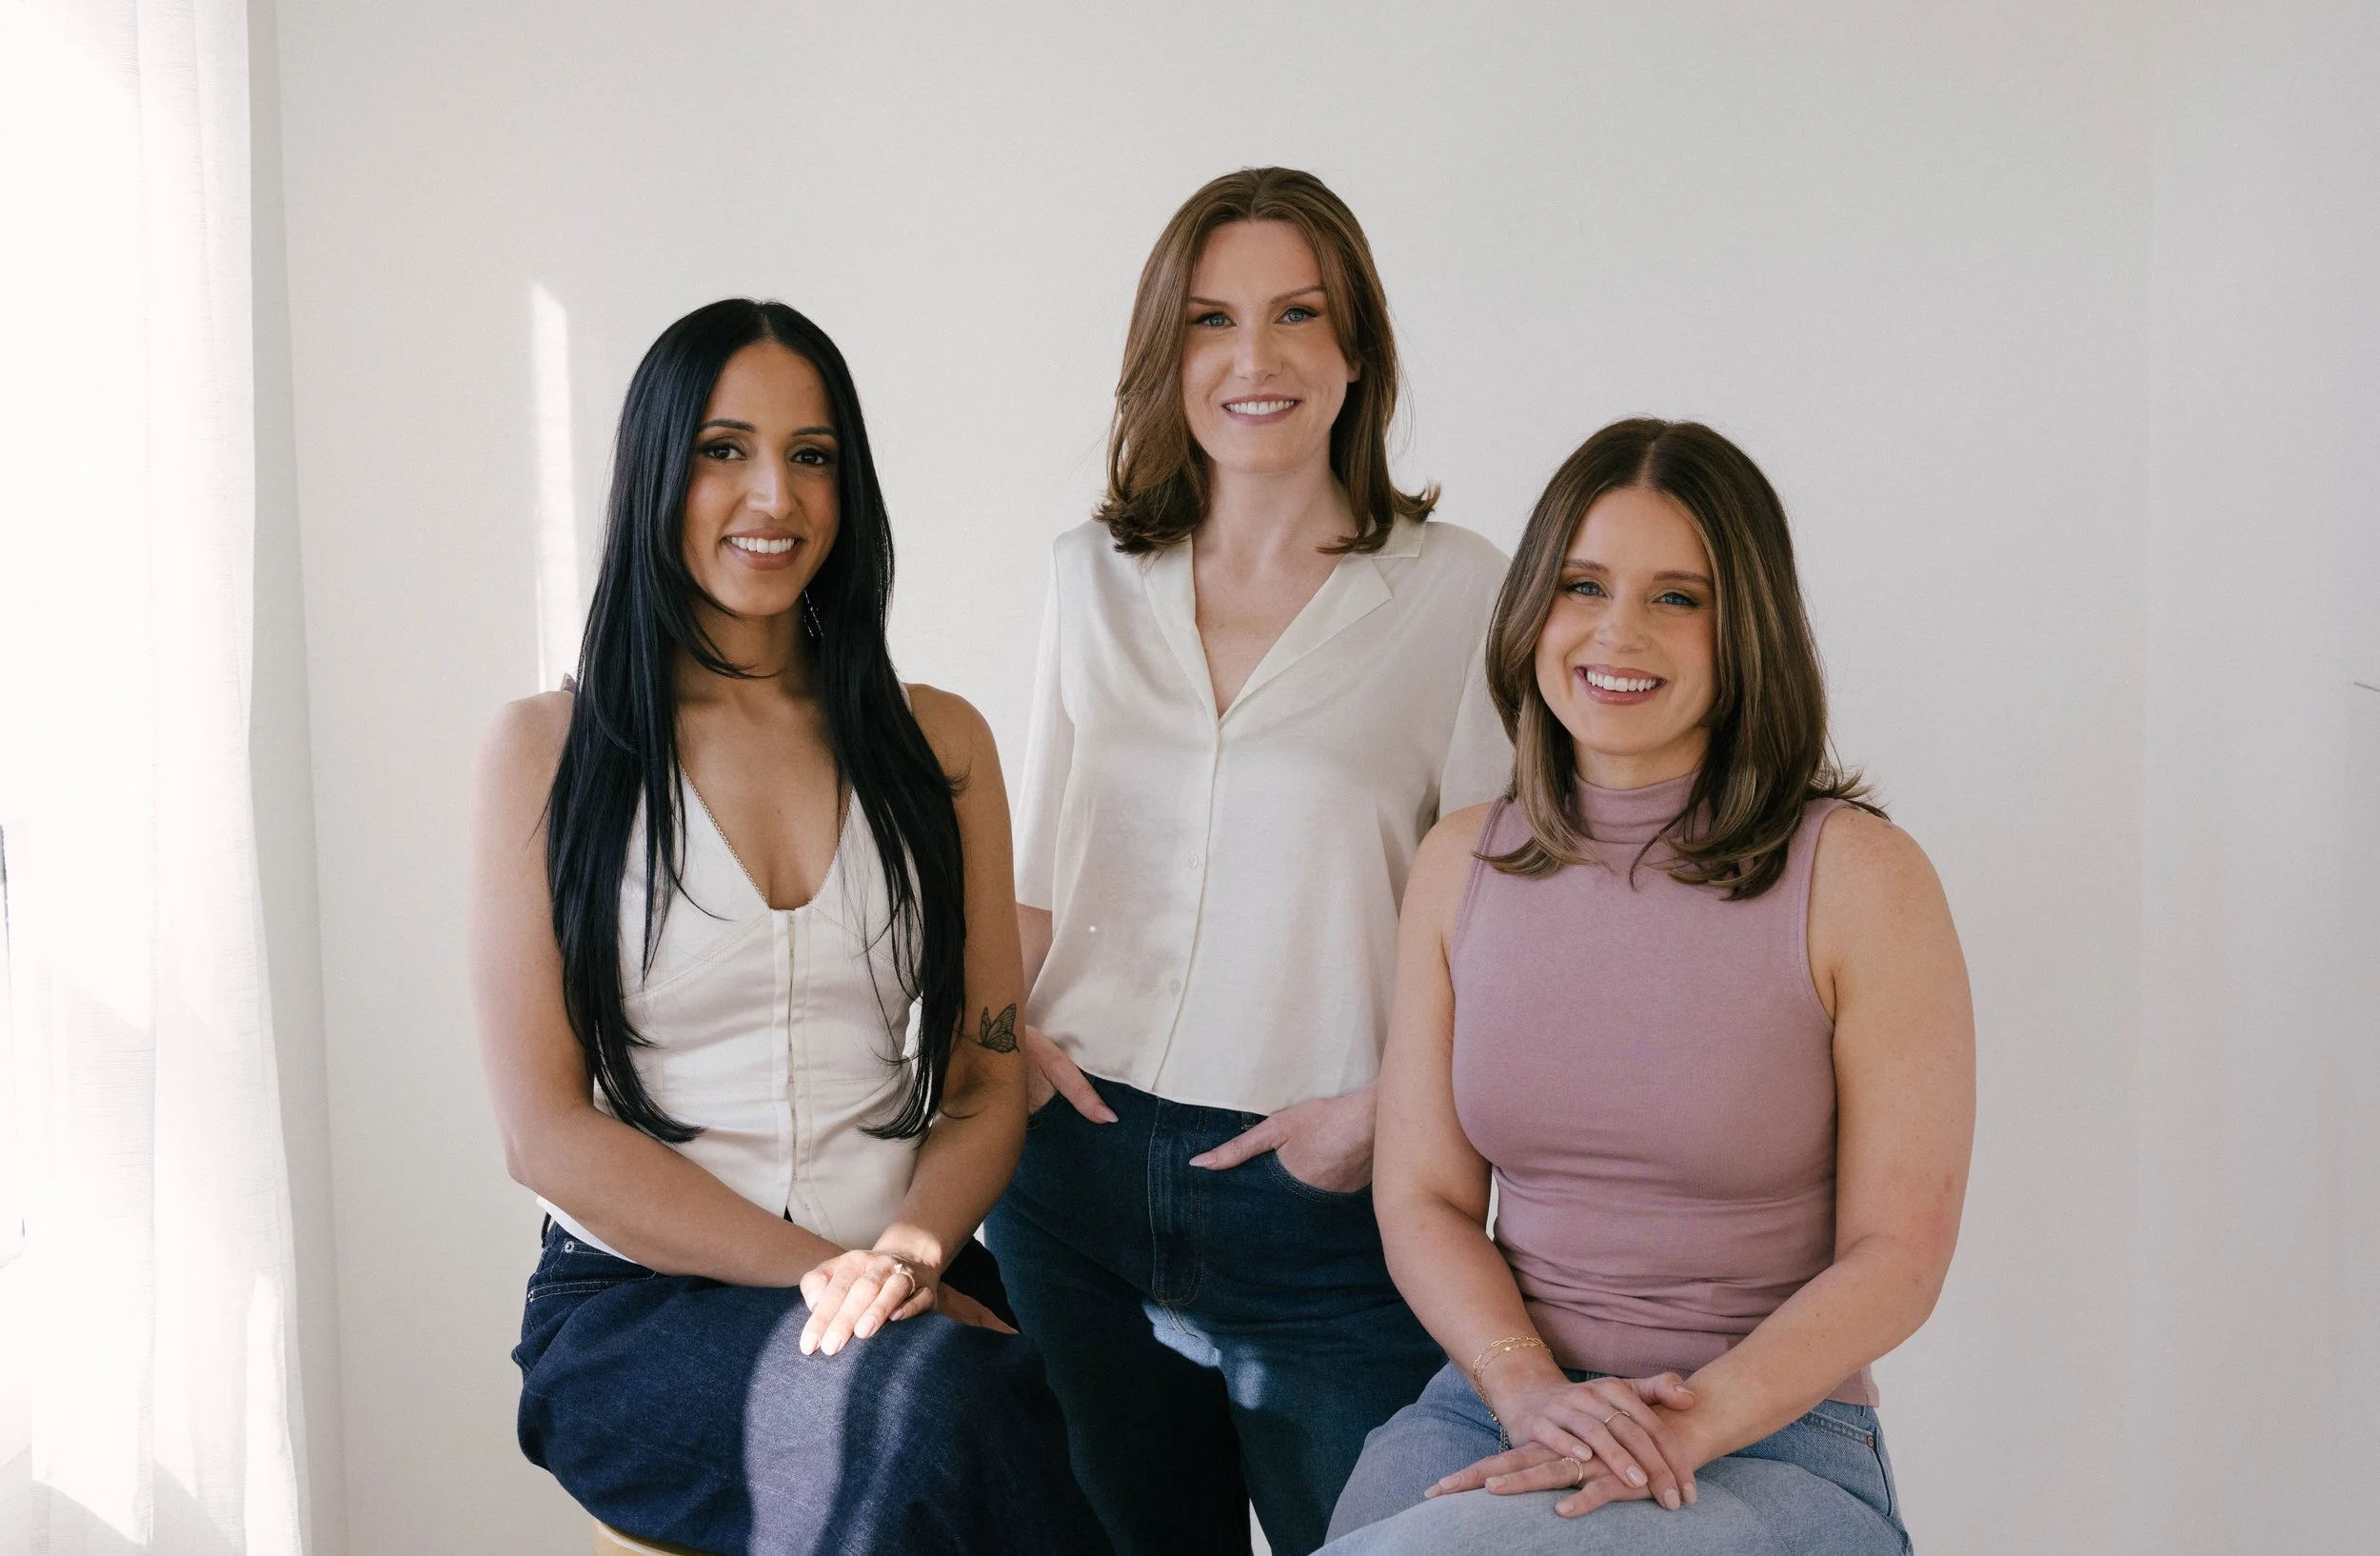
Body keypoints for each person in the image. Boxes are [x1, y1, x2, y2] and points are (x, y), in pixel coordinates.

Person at [470, 299, 1108, 1555]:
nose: (774, 492)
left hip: (898, 1283)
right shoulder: (547, 753)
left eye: (812, 454)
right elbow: (543, 1131)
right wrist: (826, 1273)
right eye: (725, 448)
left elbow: (983, 1078)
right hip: (643, 1311)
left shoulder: (942, 745)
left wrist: (907, 1253)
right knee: (936, 1420)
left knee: (942, 1430)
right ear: (658, 468)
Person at [1320, 418, 1974, 1554]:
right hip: (1497, 1402)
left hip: (1770, 1434)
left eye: (1679, 596)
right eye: (1584, 584)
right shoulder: (1458, 863)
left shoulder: (1862, 876)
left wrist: (1678, 1423)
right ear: (1534, 606)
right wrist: (1527, 1387)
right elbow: (1422, 1196)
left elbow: (1899, 1253)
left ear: (1748, 630)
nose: (1618, 630)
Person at [985, 168, 1514, 1556]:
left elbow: (1509, 932)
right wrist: (993, 1044)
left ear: (1356, 352)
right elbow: (1033, 878)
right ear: (1170, 355)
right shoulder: (1086, 576)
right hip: (1073, 1183)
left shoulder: (1458, 590)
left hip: (1326, 1206)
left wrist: (1382, 1112)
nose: (1255, 358)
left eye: (1297, 315)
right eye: (1214, 320)